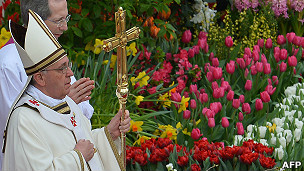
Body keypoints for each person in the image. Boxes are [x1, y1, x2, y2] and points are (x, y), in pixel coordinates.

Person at [2, 10, 131, 171]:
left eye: (68, 65)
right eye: (62, 69)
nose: (70, 73)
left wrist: (109, 134)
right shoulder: (24, 119)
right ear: (40, 78)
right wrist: (78, 158)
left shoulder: (67, 103)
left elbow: (84, 144)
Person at [0, 0, 94, 169]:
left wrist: (110, 133)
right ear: (36, 19)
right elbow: (12, 126)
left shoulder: (53, 56)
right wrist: (64, 102)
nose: (65, 27)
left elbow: (83, 120)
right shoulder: (8, 64)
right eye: (59, 20)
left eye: (67, 18)